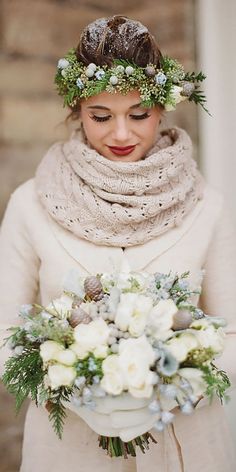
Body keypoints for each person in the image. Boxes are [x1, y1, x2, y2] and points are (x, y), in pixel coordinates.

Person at [0, 14, 236, 472]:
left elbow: (234, 332)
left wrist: (171, 381)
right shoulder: (30, 204)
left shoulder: (211, 207)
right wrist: (75, 386)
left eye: (139, 115)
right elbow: (4, 334)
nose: (122, 134)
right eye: (101, 116)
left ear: (162, 109)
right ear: (76, 110)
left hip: (185, 448)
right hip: (67, 449)